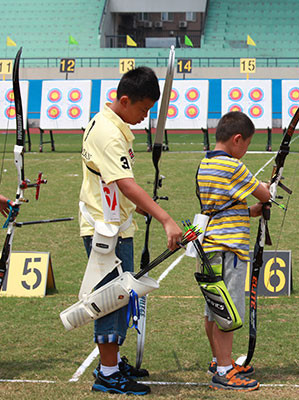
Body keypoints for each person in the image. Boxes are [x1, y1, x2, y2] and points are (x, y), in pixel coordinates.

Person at [79, 66, 182, 395]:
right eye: (143, 109)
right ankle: (108, 373)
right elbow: (124, 183)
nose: (145, 116)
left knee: (118, 297)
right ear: (124, 100)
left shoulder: (109, 124)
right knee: (110, 299)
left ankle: (112, 363)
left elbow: (113, 183)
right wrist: (164, 218)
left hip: (112, 224)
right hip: (105, 232)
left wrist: (139, 206)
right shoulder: (109, 135)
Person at [196, 111, 270, 391]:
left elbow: (222, 205)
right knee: (227, 314)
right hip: (230, 250)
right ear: (237, 139)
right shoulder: (234, 168)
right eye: (247, 145)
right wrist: (268, 189)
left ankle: (218, 360)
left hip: (210, 248)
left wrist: (249, 211)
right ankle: (225, 371)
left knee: (214, 310)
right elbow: (264, 194)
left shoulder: (206, 164)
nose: (245, 151)